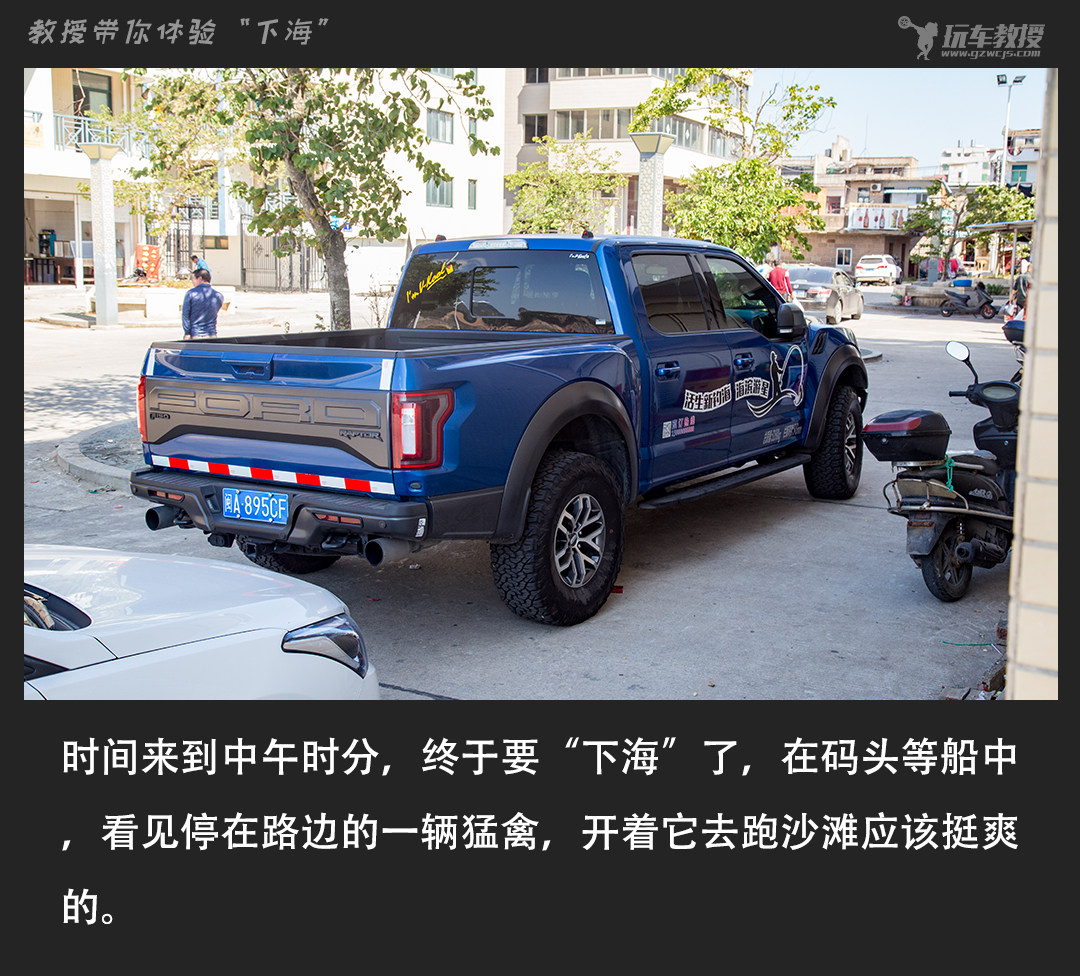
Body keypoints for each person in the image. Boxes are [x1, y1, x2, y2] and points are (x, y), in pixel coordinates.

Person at [182, 268, 224, 339]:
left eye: (193, 279)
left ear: (200, 278)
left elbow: (185, 315)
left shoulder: (191, 293)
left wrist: (187, 333)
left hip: (195, 334)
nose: (192, 282)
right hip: (212, 334)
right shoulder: (218, 295)